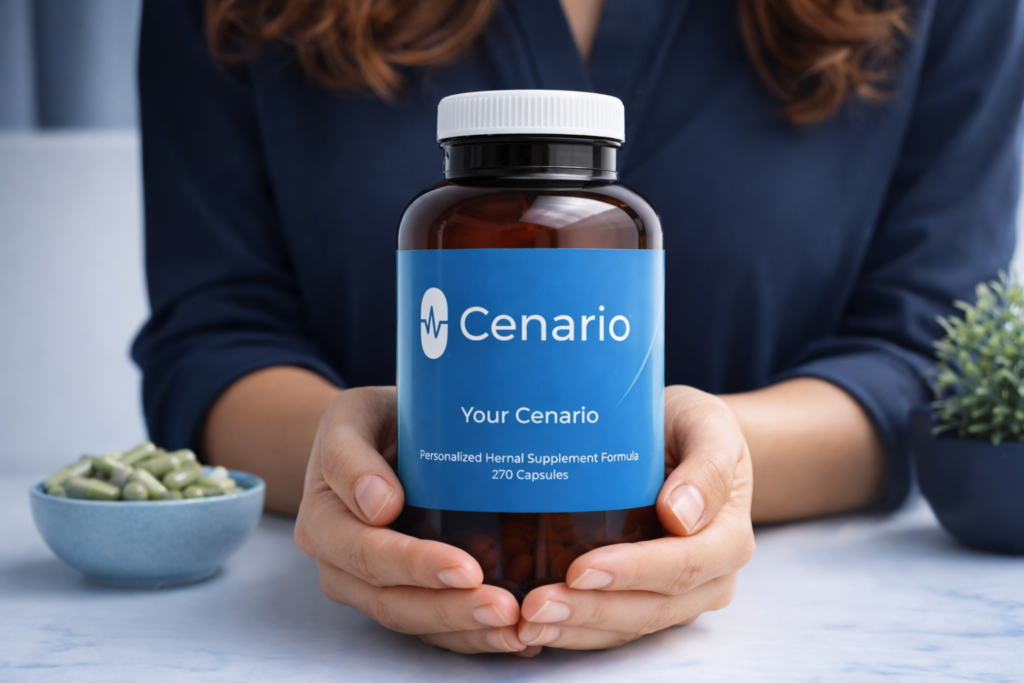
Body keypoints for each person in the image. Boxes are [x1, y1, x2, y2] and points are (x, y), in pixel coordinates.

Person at [133, 0, 1024, 656]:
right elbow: (214, 335)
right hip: (323, 641)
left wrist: (706, 469)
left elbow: (929, 361)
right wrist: (359, 471)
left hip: (779, 641)